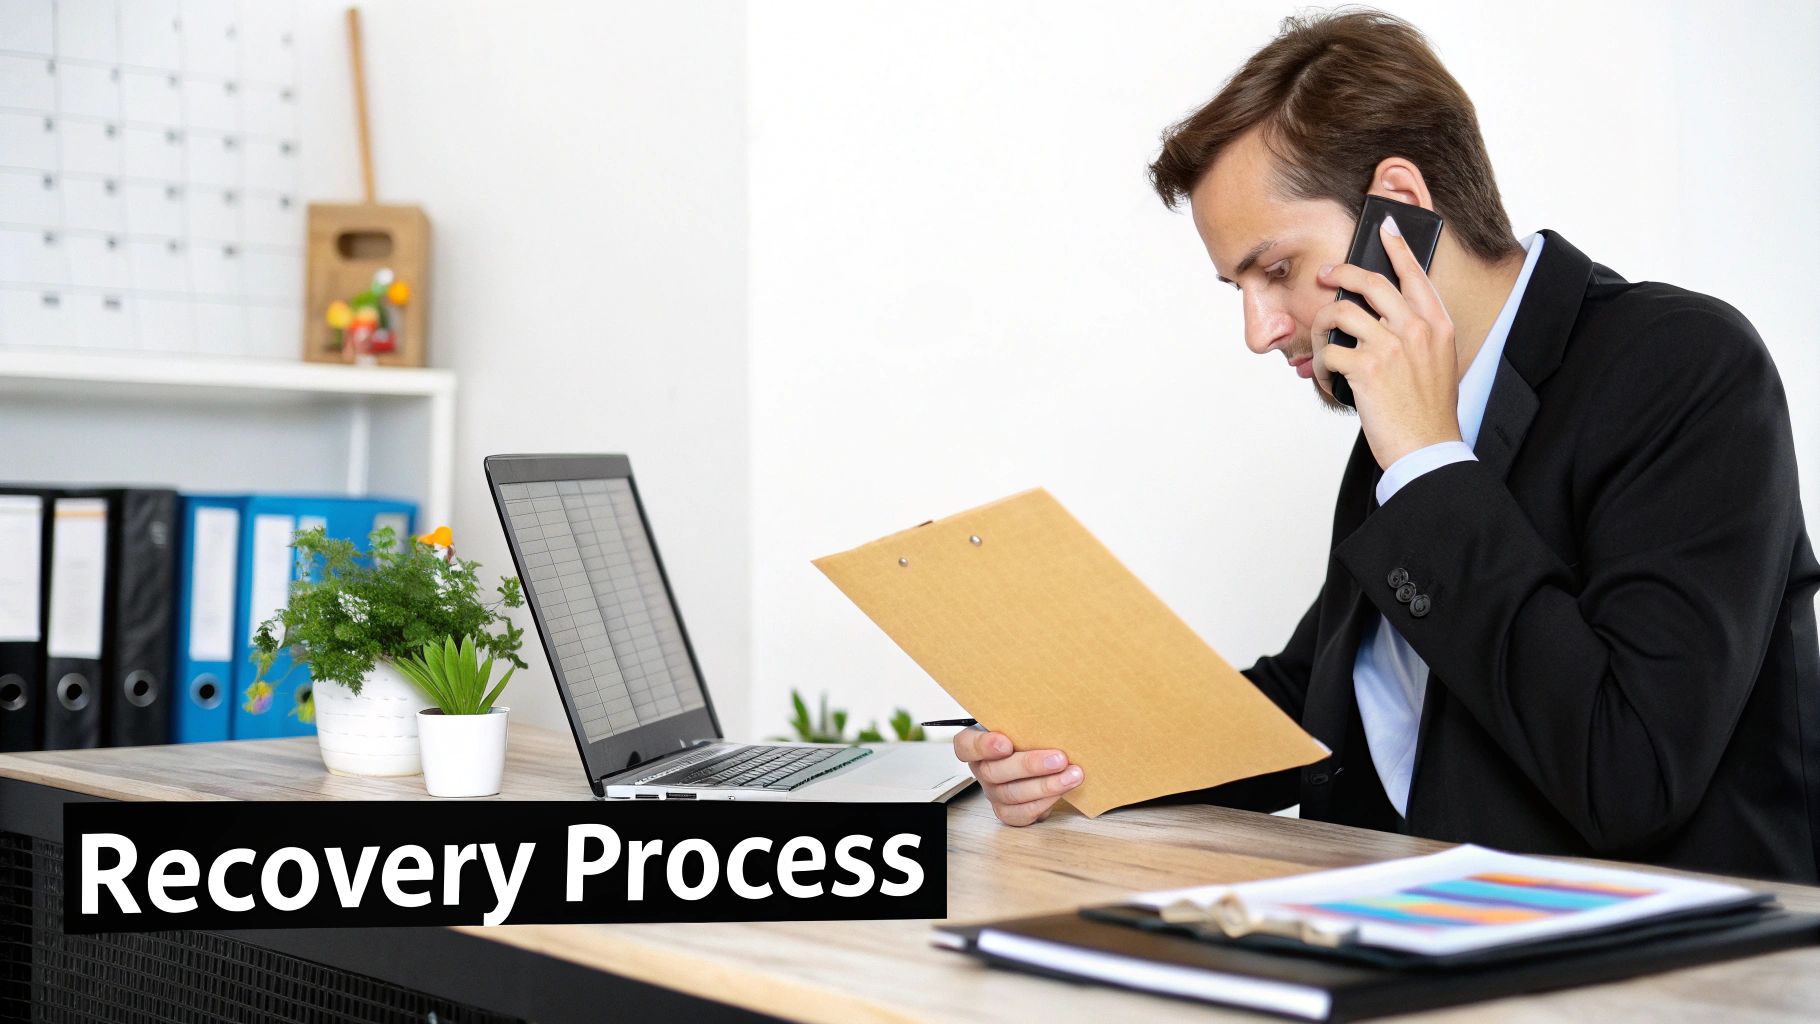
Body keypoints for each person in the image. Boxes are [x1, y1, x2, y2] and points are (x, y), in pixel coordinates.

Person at [953, 8, 1820, 883]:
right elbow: (1322, 707)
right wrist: (1082, 755)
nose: (1258, 329)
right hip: (1410, 928)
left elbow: (1627, 773)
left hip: (1658, 971)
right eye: (1237, 286)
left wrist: (1427, 460)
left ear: (1397, 211)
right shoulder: (1397, 417)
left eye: (1277, 270)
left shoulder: (1682, 366)